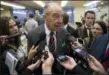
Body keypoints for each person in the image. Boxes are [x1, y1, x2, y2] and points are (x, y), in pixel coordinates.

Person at [27, 2, 74, 74]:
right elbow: (29, 59)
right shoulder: (32, 34)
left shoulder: (63, 31)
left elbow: (71, 39)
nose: (60, 21)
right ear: (45, 17)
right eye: (56, 16)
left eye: (61, 16)